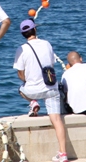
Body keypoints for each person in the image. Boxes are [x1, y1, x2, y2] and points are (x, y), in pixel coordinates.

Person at [13, 20, 69, 162]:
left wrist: (28, 80)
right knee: (56, 120)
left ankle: (33, 103)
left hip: (32, 91)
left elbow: (20, 74)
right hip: (51, 88)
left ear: (23, 34)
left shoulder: (21, 49)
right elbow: (50, 64)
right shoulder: (46, 44)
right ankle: (63, 154)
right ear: (35, 30)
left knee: (21, 89)